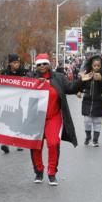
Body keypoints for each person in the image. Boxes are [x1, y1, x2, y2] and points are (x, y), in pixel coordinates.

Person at [28, 53, 91, 186]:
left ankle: (52, 173)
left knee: (53, 143)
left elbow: (70, 88)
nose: (42, 66)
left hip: (53, 116)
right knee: (35, 145)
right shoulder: (30, 77)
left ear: (49, 64)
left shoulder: (59, 77)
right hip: (35, 117)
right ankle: (38, 171)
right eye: (39, 64)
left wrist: (81, 81)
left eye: (44, 63)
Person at [80, 55, 102, 147]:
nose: (96, 67)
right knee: (87, 121)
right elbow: (81, 84)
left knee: (97, 122)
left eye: (98, 66)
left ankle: (95, 140)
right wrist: (78, 91)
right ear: (91, 65)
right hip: (87, 101)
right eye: (95, 65)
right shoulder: (87, 73)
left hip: (100, 101)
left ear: (101, 66)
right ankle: (88, 136)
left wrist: (101, 79)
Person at [0, 53, 28, 153]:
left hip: (21, 101)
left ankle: (19, 142)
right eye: (15, 63)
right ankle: (5, 143)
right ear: (10, 63)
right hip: (8, 101)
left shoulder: (24, 72)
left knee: (19, 120)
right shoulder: (4, 73)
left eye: (18, 62)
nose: (17, 64)